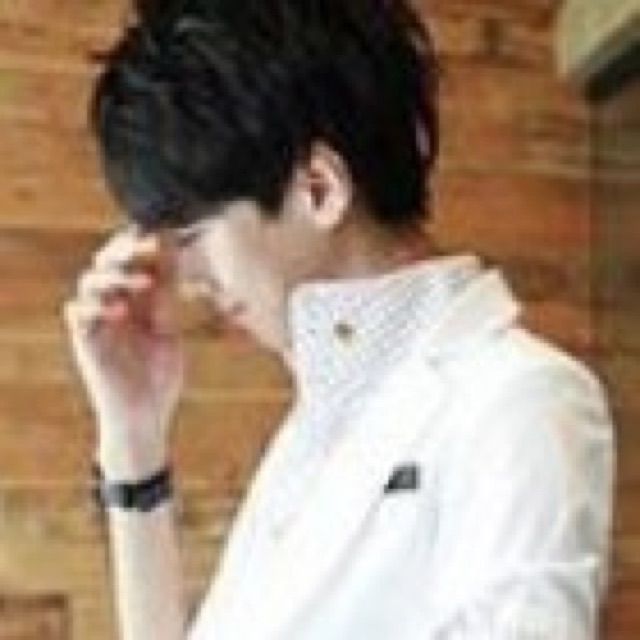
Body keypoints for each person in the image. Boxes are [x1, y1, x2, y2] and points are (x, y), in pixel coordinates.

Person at [62, 0, 617, 638]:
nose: (188, 279)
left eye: (192, 236)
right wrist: (133, 437)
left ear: (319, 189)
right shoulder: (317, 429)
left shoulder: (520, 398)